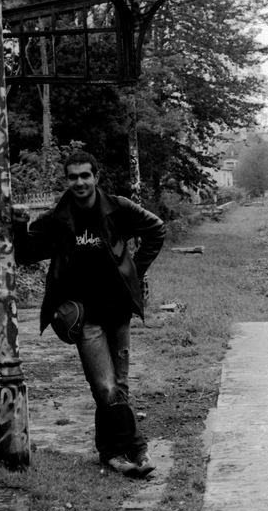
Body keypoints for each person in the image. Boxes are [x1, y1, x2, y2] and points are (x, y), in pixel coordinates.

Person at [13, 150, 166, 477]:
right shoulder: (59, 219)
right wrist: (16, 223)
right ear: (67, 180)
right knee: (107, 387)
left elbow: (157, 229)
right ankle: (138, 450)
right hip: (86, 319)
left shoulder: (118, 208)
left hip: (119, 311)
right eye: (73, 177)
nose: (79, 182)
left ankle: (110, 452)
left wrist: (134, 272)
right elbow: (26, 253)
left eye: (85, 175)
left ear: (96, 176)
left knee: (116, 387)